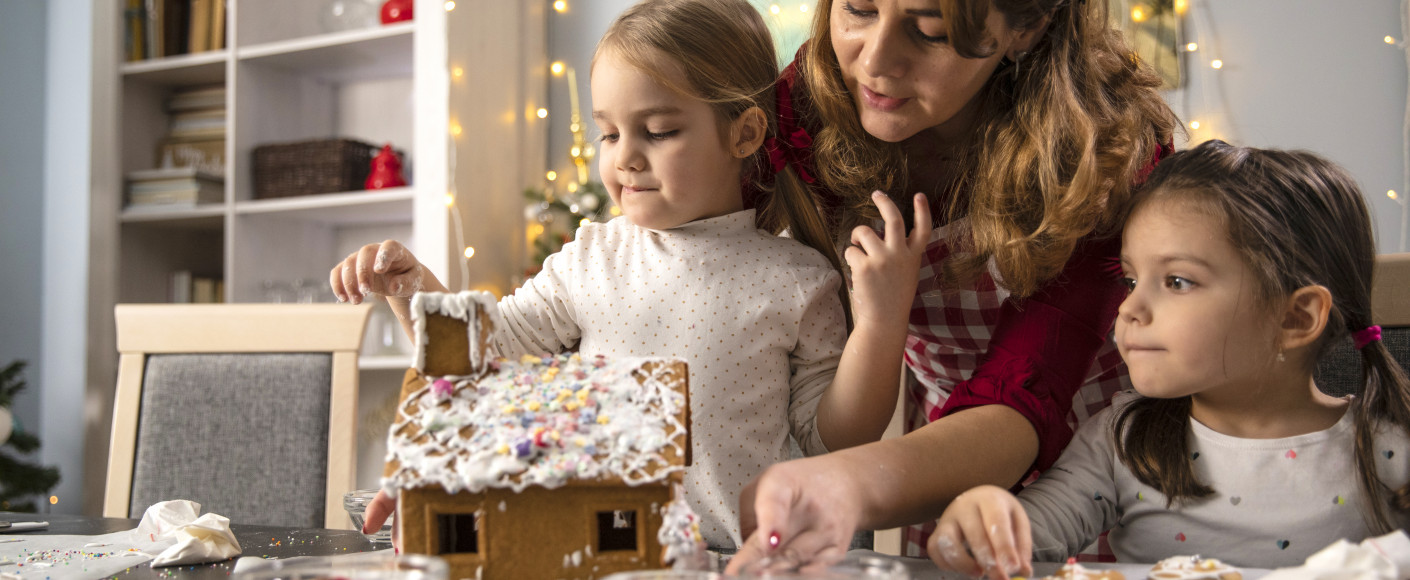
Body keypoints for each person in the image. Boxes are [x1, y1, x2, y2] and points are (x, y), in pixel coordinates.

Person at [328, 0, 931, 551]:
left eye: (659, 131)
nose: (624, 158)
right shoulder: (591, 257)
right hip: (607, 559)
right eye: (609, 133)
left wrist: (880, 323)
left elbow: (835, 442)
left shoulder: (796, 279)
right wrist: (412, 290)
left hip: (739, 563)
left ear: (743, 133)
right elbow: (490, 351)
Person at [729, 0, 1179, 569]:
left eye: (930, 29)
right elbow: (701, 229)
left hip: (1103, 455)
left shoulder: (1100, 154)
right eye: (859, 10)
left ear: (1027, 25)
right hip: (936, 448)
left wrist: (842, 485)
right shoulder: (807, 105)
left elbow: (1025, 390)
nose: (876, 60)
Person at [930, 141, 1410, 573]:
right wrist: (984, 522)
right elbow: (1027, 542)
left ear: (1295, 318)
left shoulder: (1388, 452)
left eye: (1178, 281)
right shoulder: (1122, 442)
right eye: (1131, 280)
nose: (1130, 309)